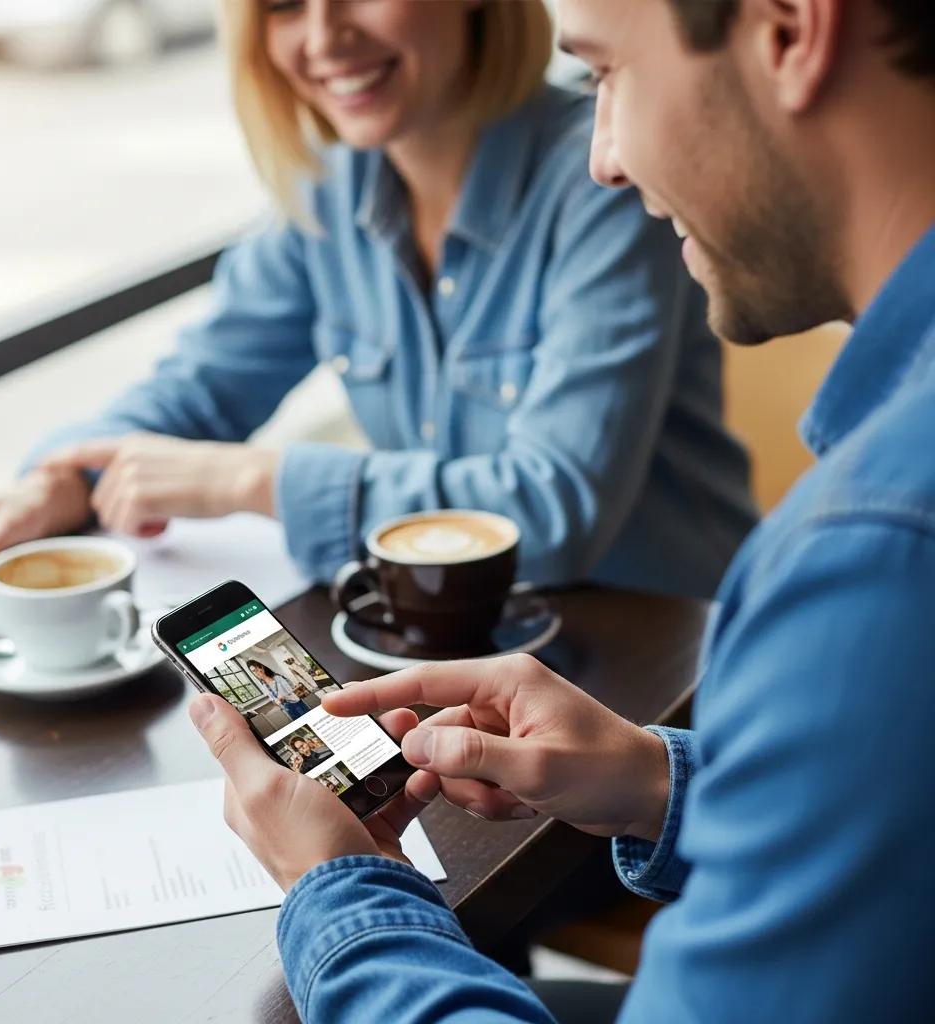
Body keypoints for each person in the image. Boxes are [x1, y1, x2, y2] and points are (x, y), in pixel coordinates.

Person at [187, 0, 935, 1021]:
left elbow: (560, 496)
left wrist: (337, 892)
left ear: (789, 31)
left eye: (604, 76)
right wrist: (656, 779)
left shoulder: (871, 555)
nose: (605, 160)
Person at [0, 0, 757, 607]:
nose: (324, 38)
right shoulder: (327, 191)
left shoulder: (604, 183)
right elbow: (201, 390)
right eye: (285, 6)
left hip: (666, 666)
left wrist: (253, 479)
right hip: (456, 644)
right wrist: (58, 479)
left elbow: (549, 513)